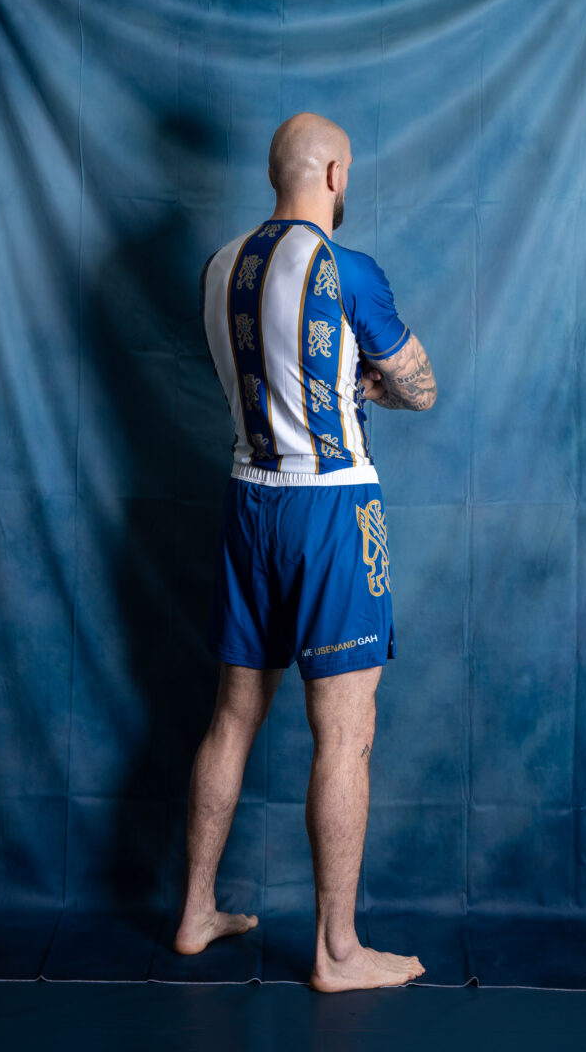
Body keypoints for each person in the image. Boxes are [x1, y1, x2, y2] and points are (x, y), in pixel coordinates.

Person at [173, 112, 437, 993]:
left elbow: (266, 376)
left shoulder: (219, 267)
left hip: (249, 498)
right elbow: (421, 388)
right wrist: (373, 386)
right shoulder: (347, 270)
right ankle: (337, 952)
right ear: (332, 175)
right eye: (346, 171)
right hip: (330, 509)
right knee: (346, 735)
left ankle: (195, 912)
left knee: (231, 717)